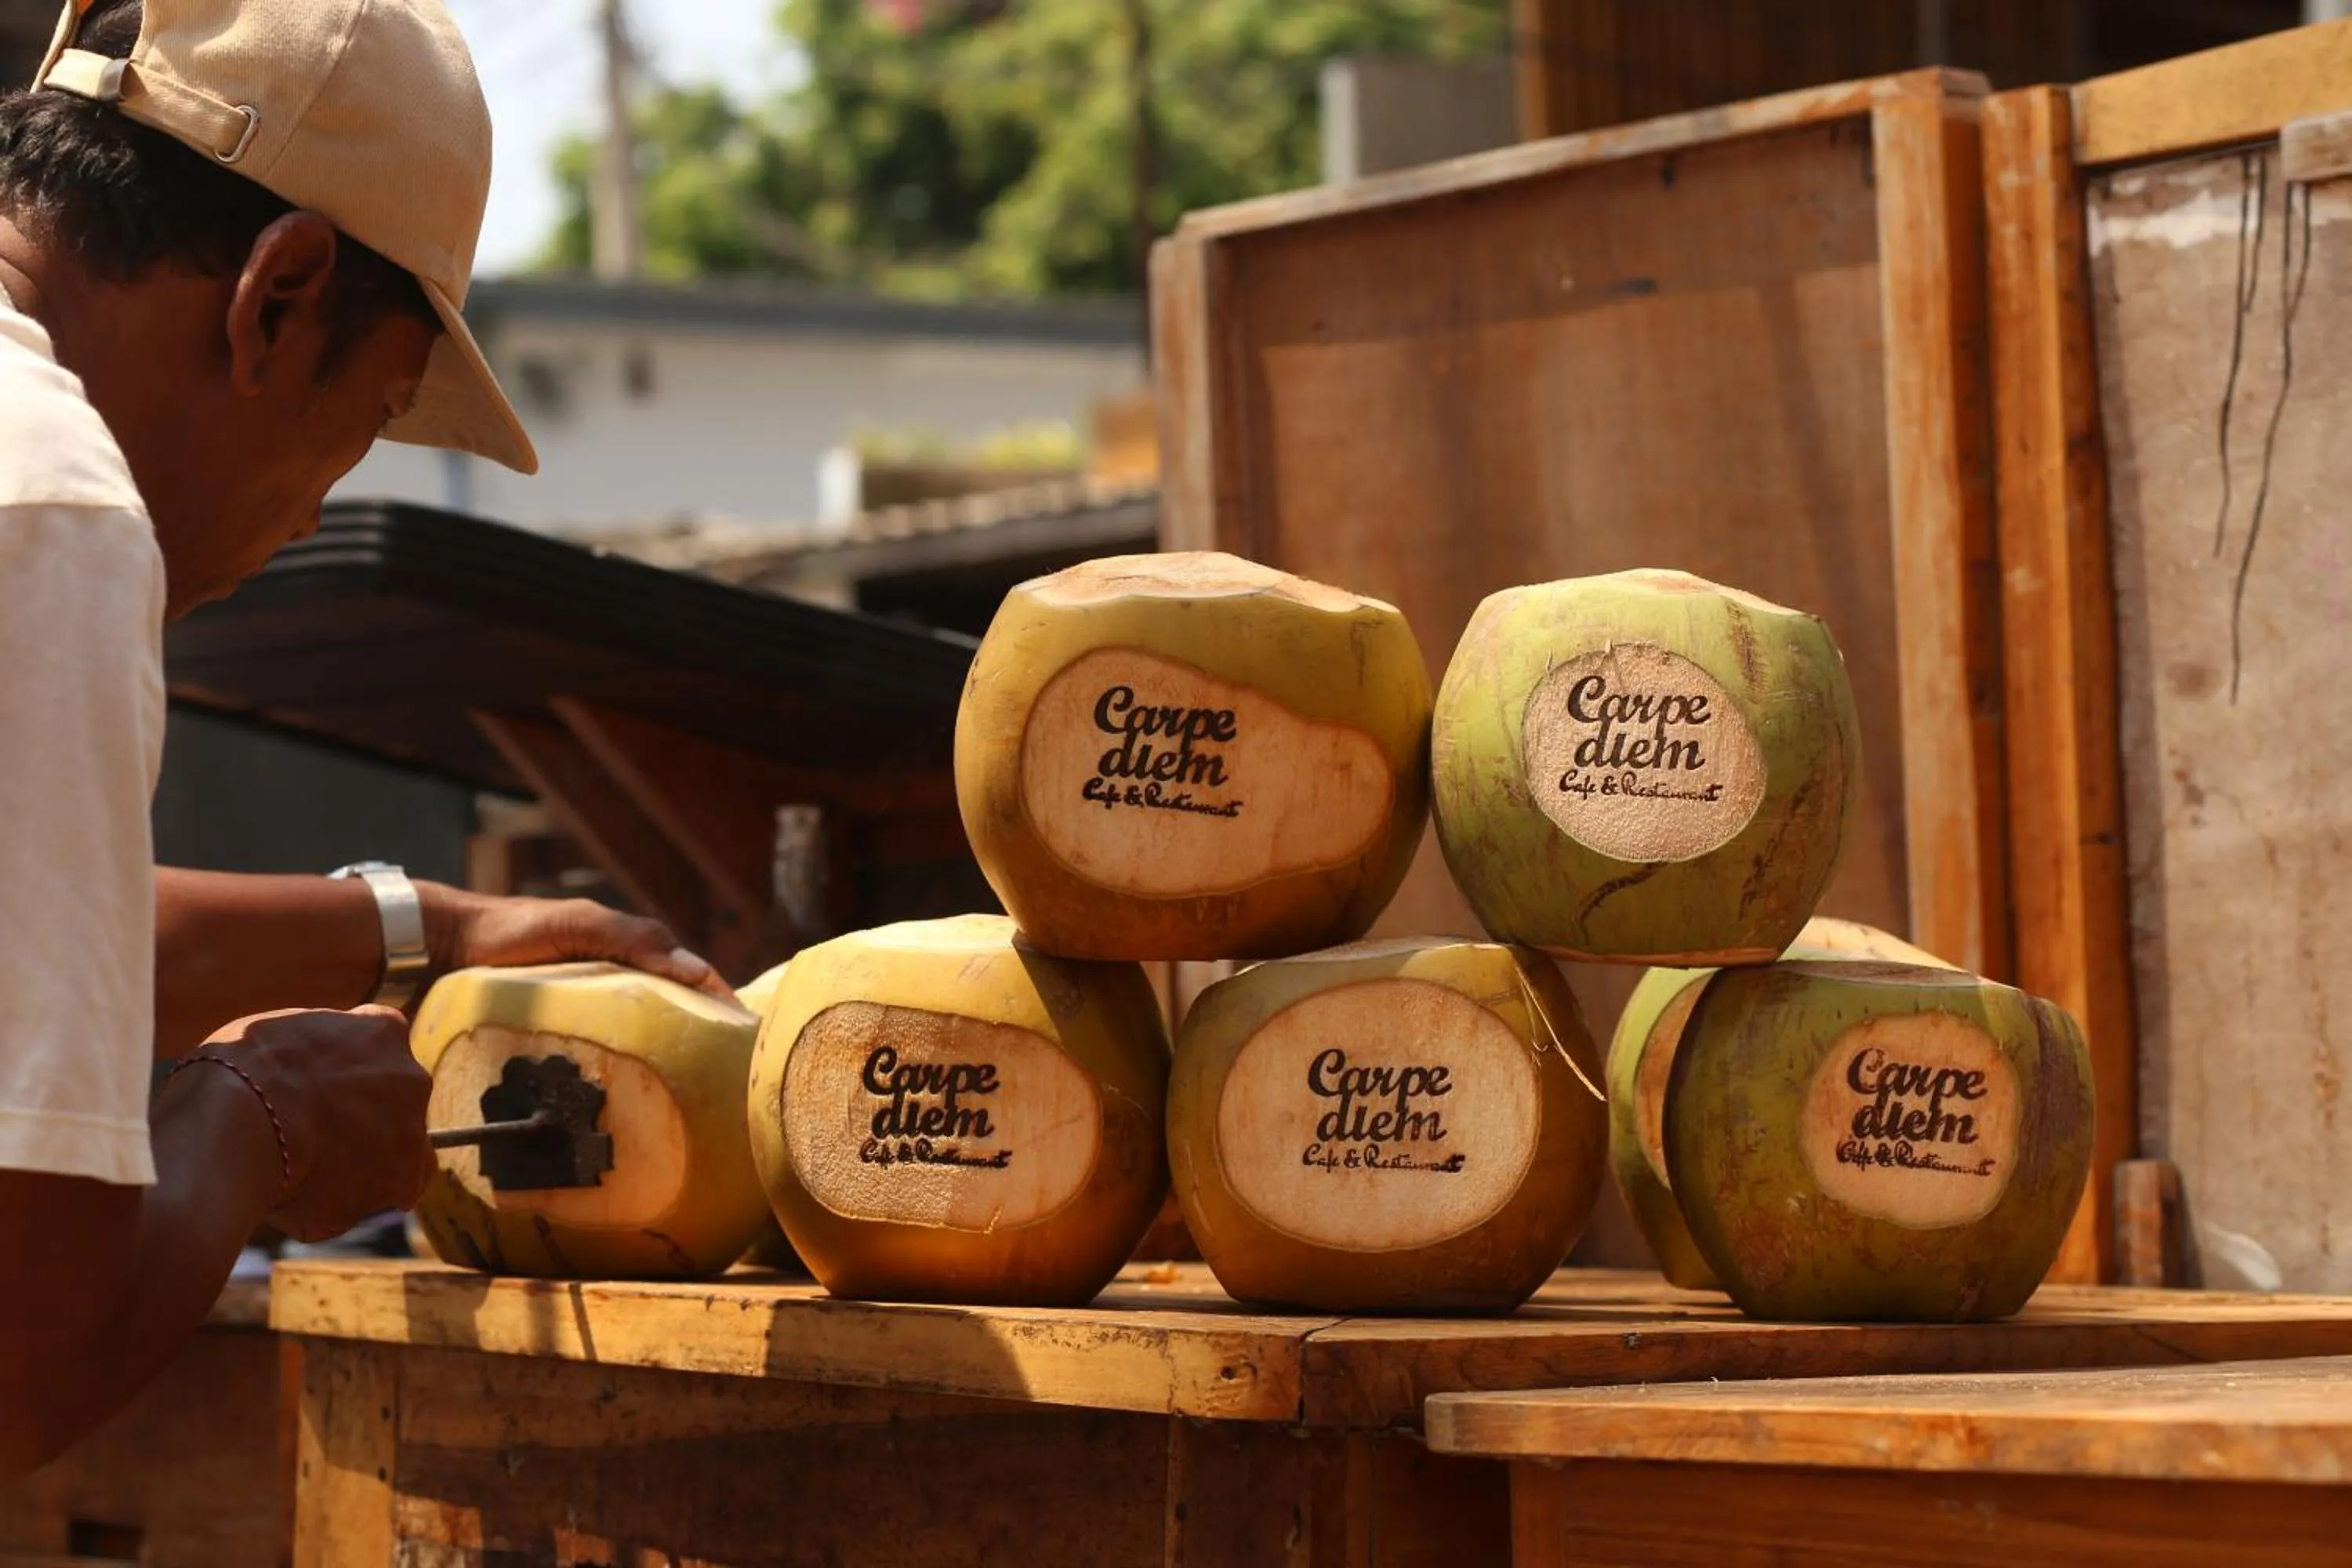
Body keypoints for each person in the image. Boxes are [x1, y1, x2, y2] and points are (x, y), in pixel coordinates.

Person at [0, 0, 724, 1475]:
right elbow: (20, 1357)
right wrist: (261, 1123)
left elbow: (33, 935)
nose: (317, 511)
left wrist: (428, 926)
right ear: (280, 293)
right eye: (367, 417)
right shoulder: (52, 511)